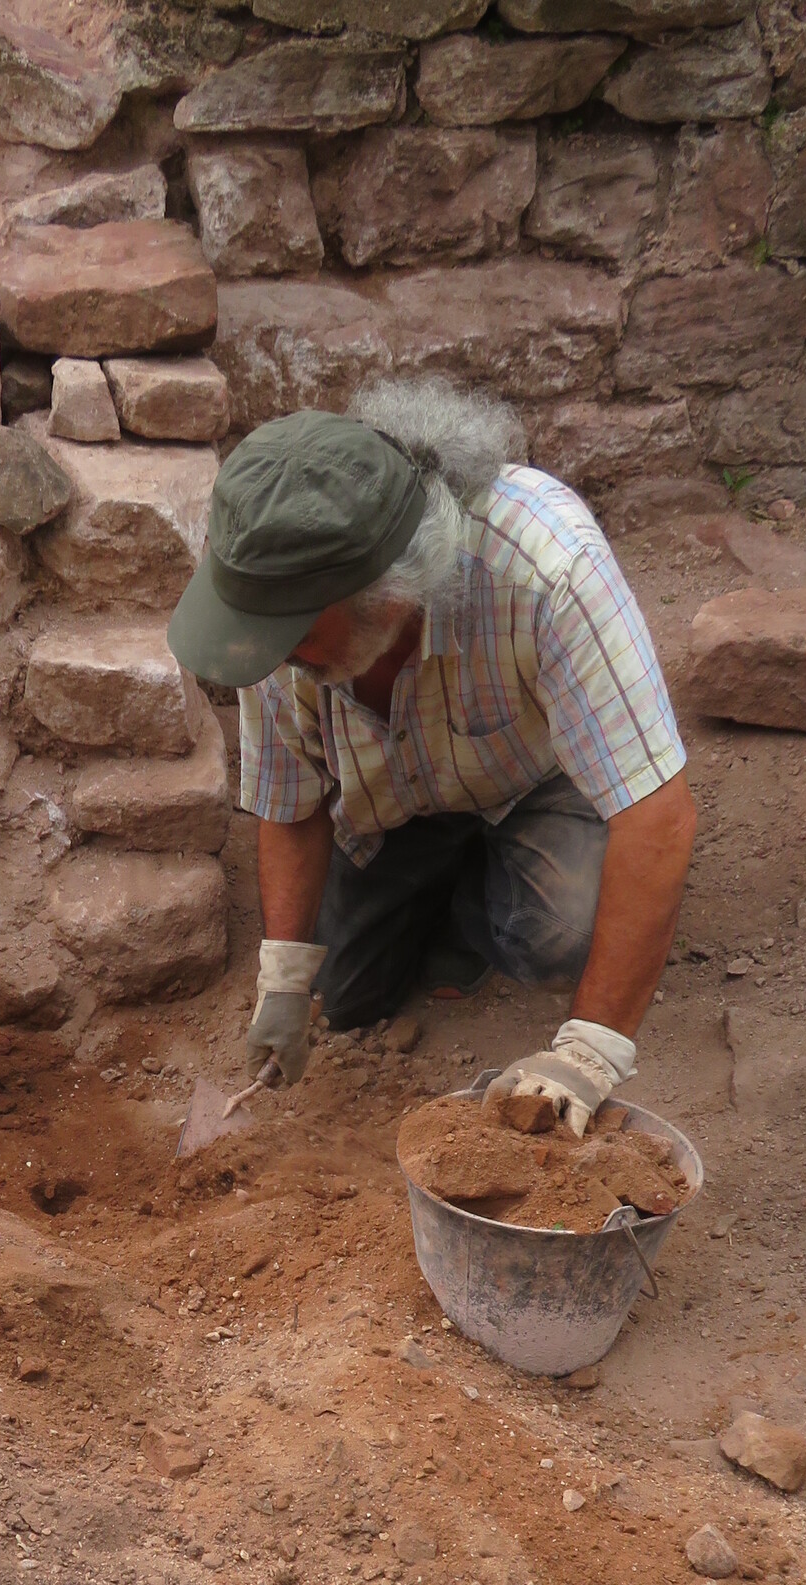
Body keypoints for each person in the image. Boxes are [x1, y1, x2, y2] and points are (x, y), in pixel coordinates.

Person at [165, 383, 697, 1139]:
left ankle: (485, 902)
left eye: (292, 636)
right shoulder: (274, 618)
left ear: (386, 598)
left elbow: (658, 817)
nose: (271, 656)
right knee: (342, 996)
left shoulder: (549, 568)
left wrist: (589, 1053)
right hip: (391, 807)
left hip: (531, 785)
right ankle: (450, 889)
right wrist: (283, 980)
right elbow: (290, 803)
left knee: (559, 937)